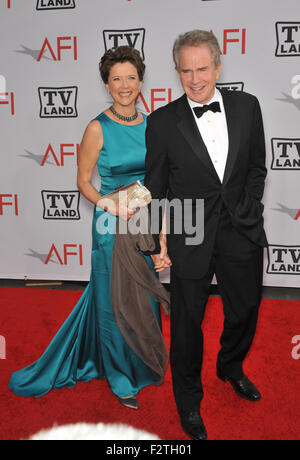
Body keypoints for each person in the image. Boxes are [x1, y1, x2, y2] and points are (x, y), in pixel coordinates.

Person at [9, 46, 168, 411]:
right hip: (111, 224)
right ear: (106, 85)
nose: (124, 86)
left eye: (130, 78)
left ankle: (141, 363)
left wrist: (161, 237)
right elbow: (83, 182)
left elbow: (160, 183)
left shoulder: (153, 125)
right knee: (114, 300)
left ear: (141, 81)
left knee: (141, 296)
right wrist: (110, 205)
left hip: (144, 221)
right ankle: (118, 374)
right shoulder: (97, 127)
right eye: (116, 80)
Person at [144, 30, 268, 440]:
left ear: (218, 65)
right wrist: (157, 243)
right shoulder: (162, 122)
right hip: (189, 234)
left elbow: (255, 168)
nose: (195, 79)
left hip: (240, 230)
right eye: (186, 71)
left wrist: (249, 207)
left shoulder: (248, 107)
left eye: (202, 69)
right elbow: (156, 189)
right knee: (186, 326)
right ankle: (189, 402)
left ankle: (230, 365)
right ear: (176, 71)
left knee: (245, 310)